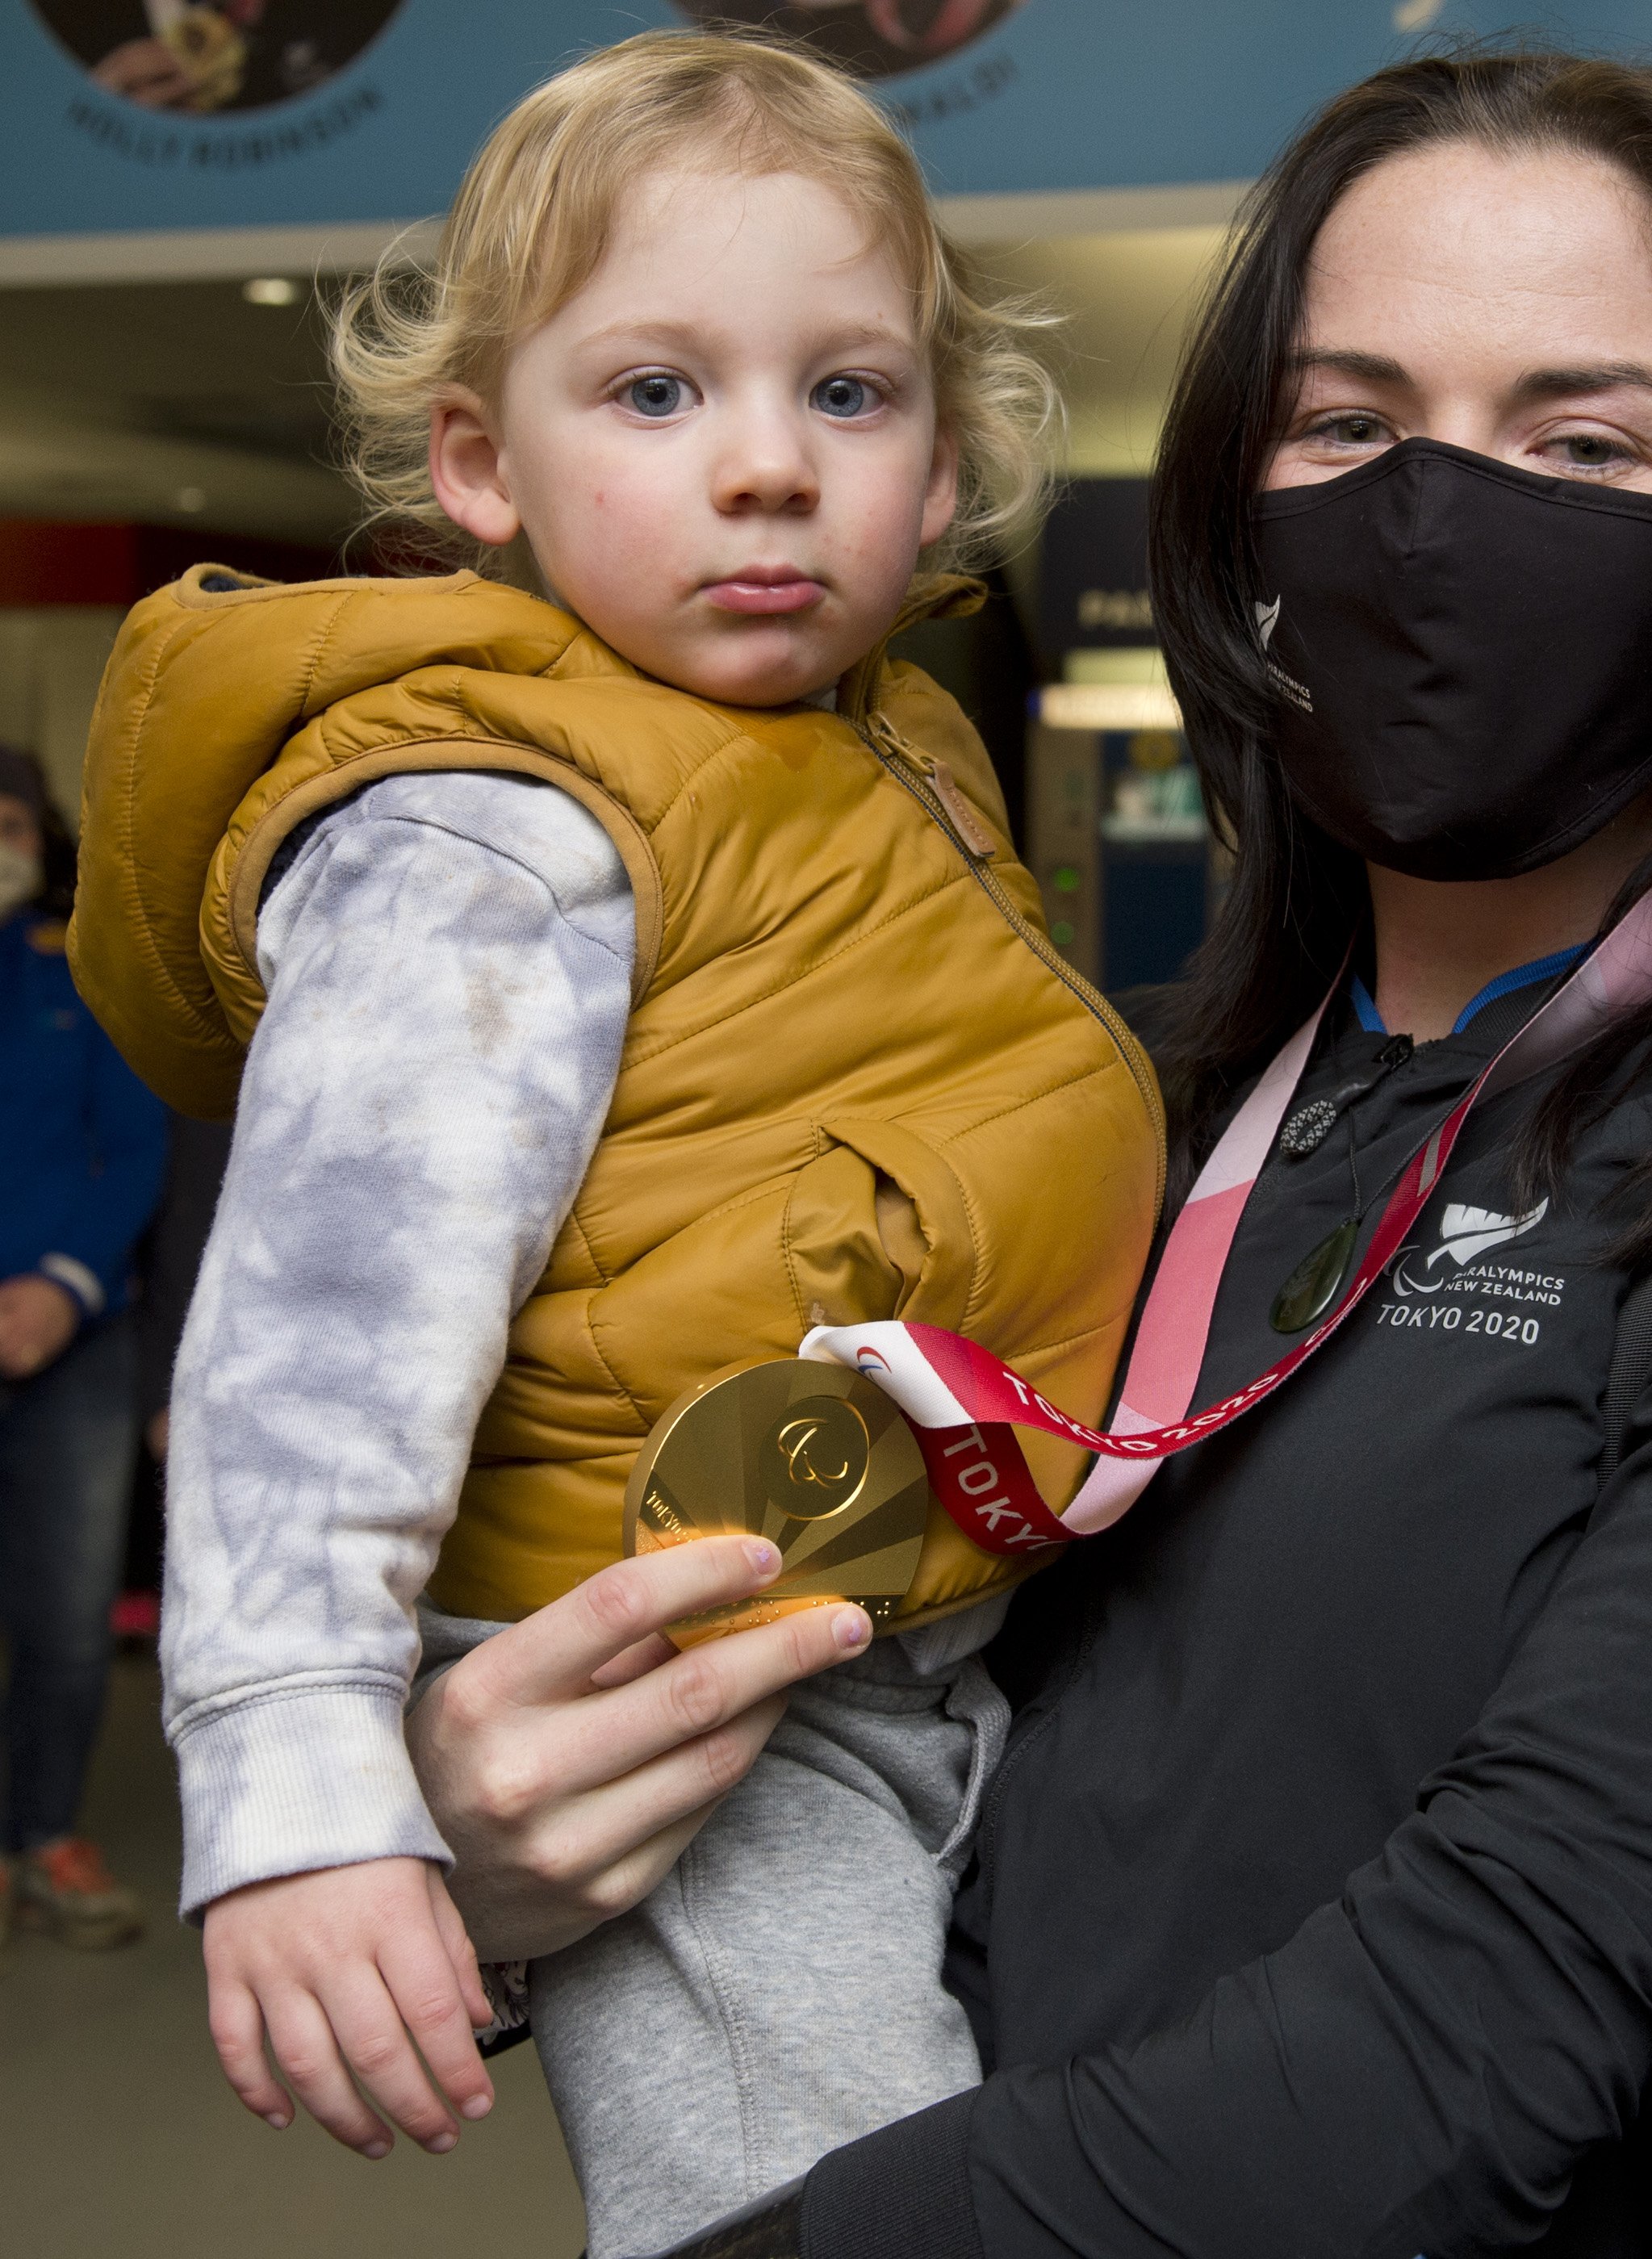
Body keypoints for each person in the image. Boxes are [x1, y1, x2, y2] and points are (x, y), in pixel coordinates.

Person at [395, 48, 1652, 2259]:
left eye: (1581, 442)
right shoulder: (1122, 1105)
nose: (1434, 519)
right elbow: (858, 1733)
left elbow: (1491, 2022)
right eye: (1349, 427)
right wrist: (495, 1861)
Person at [67, 31, 1158, 2257]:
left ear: (941, 453)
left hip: (934, 1631)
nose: (766, 468)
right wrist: (296, 1798)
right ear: (481, 462)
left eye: (843, 393)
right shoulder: (488, 833)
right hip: (699, 1719)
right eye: (655, 393)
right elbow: (316, 1336)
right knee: (842, 2217)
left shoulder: (892, 743)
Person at [0, 747, 166, 1950]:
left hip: (80, 1347)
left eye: (12, 818)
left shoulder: (79, 969)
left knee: (64, 1620)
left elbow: (140, 1145)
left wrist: (62, 1285)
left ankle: (44, 1839)